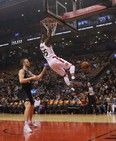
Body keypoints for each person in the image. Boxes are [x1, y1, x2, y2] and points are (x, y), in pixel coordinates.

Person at [40, 20, 81, 92]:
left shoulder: (41, 45)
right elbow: (48, 36)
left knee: (64, 75)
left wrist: (42, 26)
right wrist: (49, 29)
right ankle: (73, 78)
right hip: (54, 59)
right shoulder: (46, 44)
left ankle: (71, 88)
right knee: (71, 66)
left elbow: (43, 34)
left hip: (50, 64)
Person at [18, 58, 47, 133]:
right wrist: (31, 78)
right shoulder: (22, 71)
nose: (29, 62)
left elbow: (37, 78)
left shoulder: (29, 72)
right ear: (23, 63)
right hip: (23, 90)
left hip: (28, 91)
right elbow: (21, 80)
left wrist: (44, 70)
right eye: (27, 61)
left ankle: (30, 122)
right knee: (28, 105)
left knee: (32, 106)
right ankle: (25, 125)